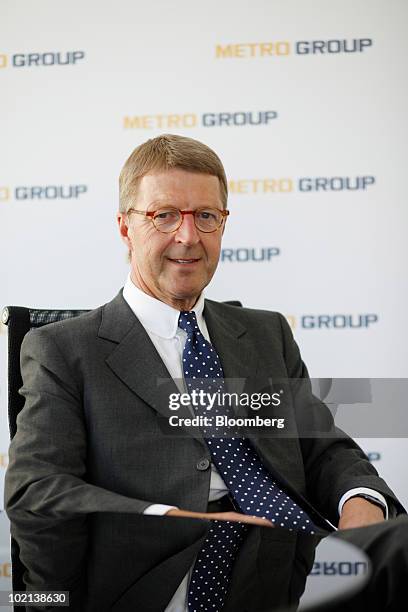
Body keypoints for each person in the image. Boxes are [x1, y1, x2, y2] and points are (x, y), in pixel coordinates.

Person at [4, 134, 407, 612]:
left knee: (399, 547)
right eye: (164, 215)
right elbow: (38, 492)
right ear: (124, 227)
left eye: (207, 216)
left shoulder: (264, 333)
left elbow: (320, 446)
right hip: (141, 588)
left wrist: (360, 500)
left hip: (273, 578)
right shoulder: (64, 349)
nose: (188, 236)